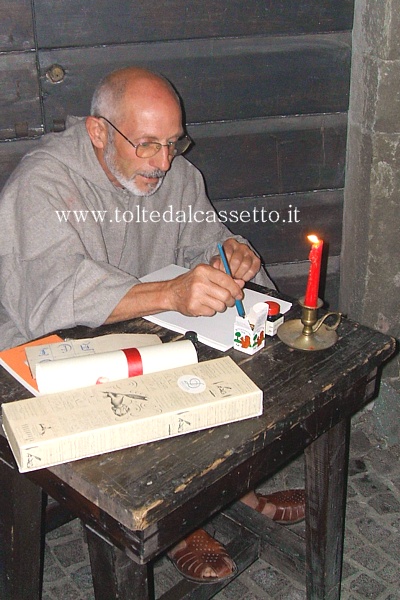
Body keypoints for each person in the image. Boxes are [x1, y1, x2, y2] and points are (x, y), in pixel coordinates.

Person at [0, 66, 305, 582]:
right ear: (99, 132)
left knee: (229, 350)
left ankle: (224, 486)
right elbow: (49, 298)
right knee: (156, 381)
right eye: (146, 145)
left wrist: (230, 254)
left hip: (144, 331)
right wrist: (170, 293)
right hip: (38, 355)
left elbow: (203, 240)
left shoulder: (174, 174)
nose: (163, 162)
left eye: (173, 142)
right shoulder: (44, 184)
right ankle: (185, 512)